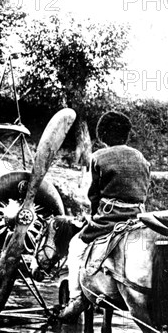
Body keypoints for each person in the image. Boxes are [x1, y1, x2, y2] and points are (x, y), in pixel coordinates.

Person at [58, 111, 151, 321]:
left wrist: (92, 215)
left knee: (76, 247)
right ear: (126, 135)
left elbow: (93, 195)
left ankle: (76, 299)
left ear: (103, 135)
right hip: (139, 217)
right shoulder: (141, 158)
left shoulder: (98, 157)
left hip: (110, 218)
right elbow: (145, 189)